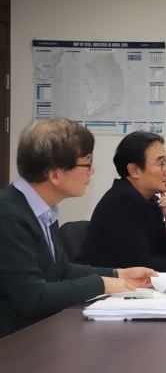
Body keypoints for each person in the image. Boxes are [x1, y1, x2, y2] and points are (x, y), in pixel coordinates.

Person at [0, 118, 157, 338]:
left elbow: (62, 271)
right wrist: (101, 284)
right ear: (55, 173)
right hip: (15, 344)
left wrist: (119, 274)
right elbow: (33, 298)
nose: (92, 170)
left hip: (42, 332)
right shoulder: (9, 217)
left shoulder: (43, 210)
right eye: (87, 162)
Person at [76, 132, 166, 272]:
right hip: (100, 283)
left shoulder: (152, 201)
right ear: (134, 170)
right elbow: (140, 266)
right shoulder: (123, 201)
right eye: (160, 163)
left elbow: (161, 256)